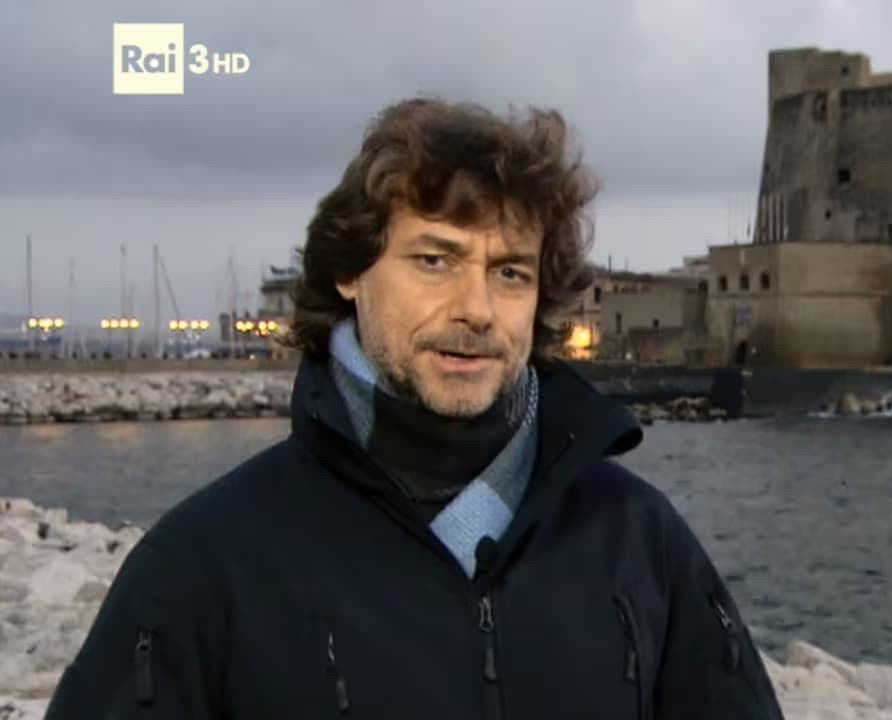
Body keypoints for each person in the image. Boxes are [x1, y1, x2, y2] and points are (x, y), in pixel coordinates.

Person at [46, 98, 784, 719]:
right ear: (349, 271)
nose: (477, 309)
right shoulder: (204, 566)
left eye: (510, 273)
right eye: (435, 261)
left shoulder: (640, 540)